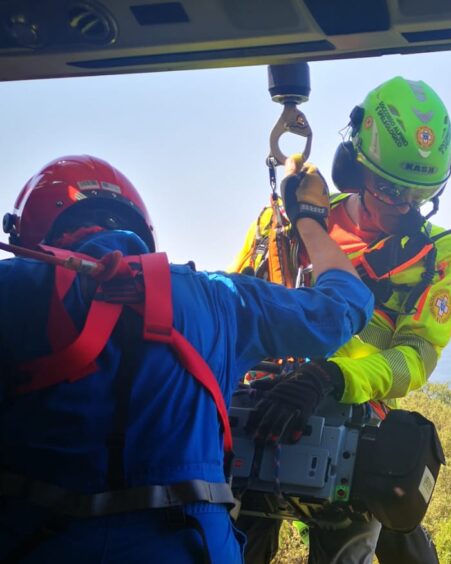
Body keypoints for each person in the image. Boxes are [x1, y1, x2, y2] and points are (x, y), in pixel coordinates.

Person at [0, 154, 373, 563]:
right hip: (191, 548)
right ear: (139, 228)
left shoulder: (13, 291)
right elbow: (346, 305)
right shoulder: (218, 299)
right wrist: (308, 219)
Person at [230, 76, 451, 564]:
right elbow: (229, 307)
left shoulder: (437, 254)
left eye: (416, 195)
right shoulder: (289, 223)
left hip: (351, 430)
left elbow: (415, 357)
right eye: (388, 187)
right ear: (353, 166)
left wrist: (333, 377)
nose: (401, 207)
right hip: (263, 414)